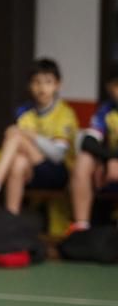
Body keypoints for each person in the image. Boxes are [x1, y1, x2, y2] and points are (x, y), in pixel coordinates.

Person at [0, 58, 78, 221]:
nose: (42, 88)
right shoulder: (25, 112)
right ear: (29, 85)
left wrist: (29, 135)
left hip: (59, 174)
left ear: (57, 85)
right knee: (18, 161)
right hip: (31, 169)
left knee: (17, 135)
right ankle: (11, 220)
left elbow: (57, 155)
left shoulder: (65, 114)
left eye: (48, 82)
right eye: (36, 82)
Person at [68, 71, 118, 232]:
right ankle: (81, 227)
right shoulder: (106, 110)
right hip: (108, 171)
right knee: (84, 159)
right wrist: (109, 159)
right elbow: (88, 142)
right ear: (109, 88)